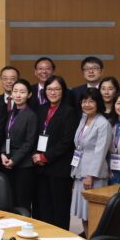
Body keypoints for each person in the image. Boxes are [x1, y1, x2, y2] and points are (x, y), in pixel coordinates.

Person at [34, 76, 79, 230]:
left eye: (56, 89)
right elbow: (34, 135)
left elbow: (66, 142)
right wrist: (36, 156)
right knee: (42, 209)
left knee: (59, 209)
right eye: (49, 89)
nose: (53, 92)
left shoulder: (70, 112)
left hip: (59, 168)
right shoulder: (40, 109)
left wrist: (45, 157)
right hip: (40, 168)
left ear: (63, 91)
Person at [71, 88, 111, 236]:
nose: (87, 104)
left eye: (91, 101)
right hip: (80, 170)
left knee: (93, 214)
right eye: (84, 101)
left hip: (93, 175)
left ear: (98, 103)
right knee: (83, 213)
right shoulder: (84, 118)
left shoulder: (102, 123)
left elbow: (100, 152)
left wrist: (90, 175)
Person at [1, 79, 38, 213]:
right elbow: (6, 137)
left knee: (22, 202)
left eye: (22, 92)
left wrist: (14, 160)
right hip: (8, 162)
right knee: (9, 200)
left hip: (23, 165)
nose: (17, 95)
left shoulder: (31, 115)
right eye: (15, 91)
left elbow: (29, 142)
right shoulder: (11, 113)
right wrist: (3, 153)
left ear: (29, 95)